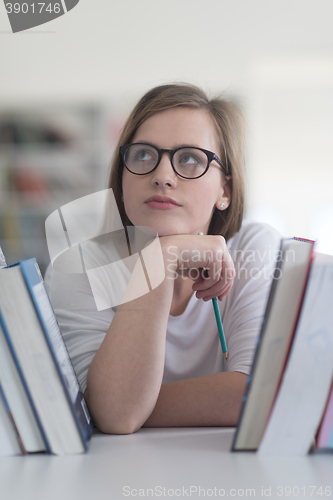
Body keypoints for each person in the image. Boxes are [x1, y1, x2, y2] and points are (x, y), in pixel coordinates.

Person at [45, 83, 281, 434]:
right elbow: (118, 416)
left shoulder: (252, 247)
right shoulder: (77, 269)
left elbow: (254, 395)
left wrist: (116, 404)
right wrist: (162, 257)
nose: (162, 176)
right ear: (122, 176)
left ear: (225, 191)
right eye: (142, 154)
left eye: (189, 158)